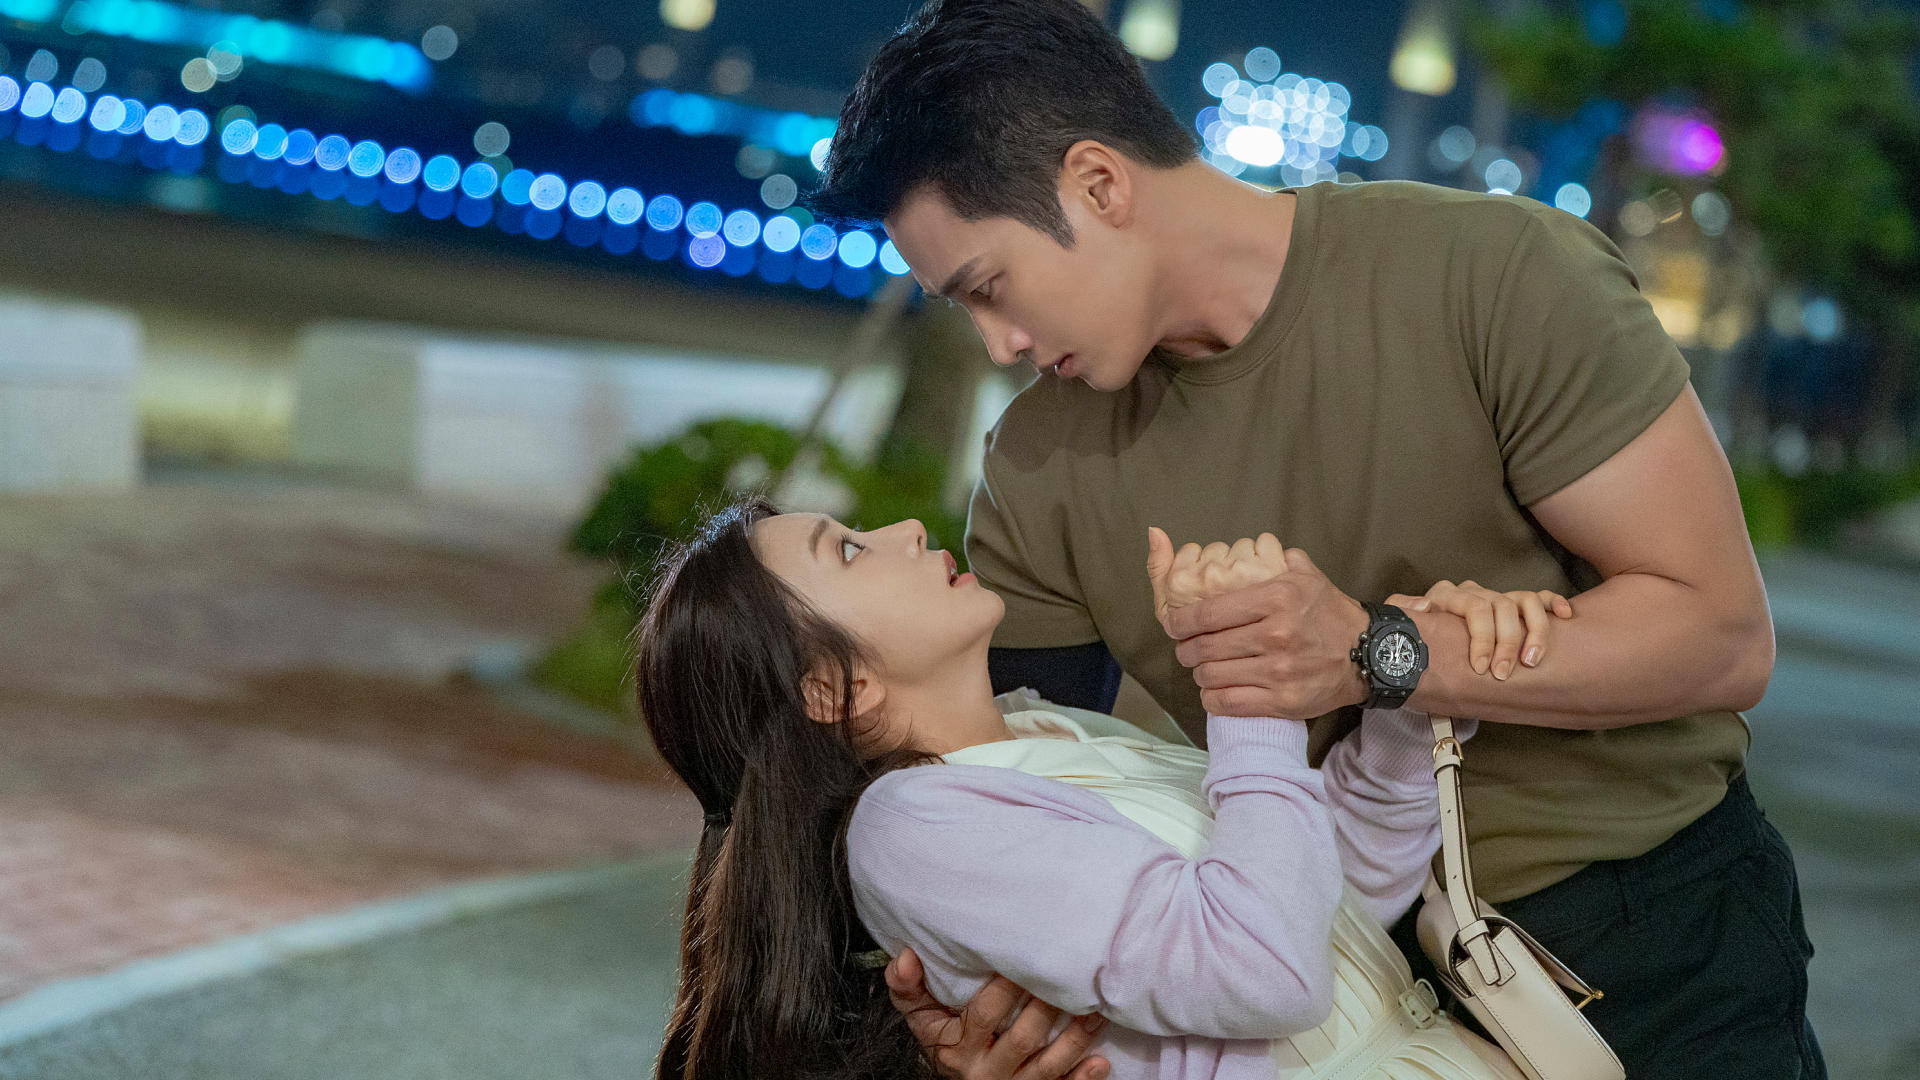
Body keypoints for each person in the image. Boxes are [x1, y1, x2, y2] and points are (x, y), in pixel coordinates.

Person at [808, 1, 1823, 1078]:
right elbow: (1007, 784)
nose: (999, 341)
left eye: (990, 288)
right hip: (1301, 993)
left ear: (1099, 184)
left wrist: (1375, 651)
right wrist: (978, 1022)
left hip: (1654, 931)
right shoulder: (1037, 463)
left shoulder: (1496, 274)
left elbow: (1720, 636)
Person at [635, 499, 1572, 1080]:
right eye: (849, 552)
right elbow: (1266, 972)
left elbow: (1334, 915)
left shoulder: (1053, 732)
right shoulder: (911, 827)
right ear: (835, 690)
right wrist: (1247, 683)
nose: (907, 530)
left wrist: (1406, 707)